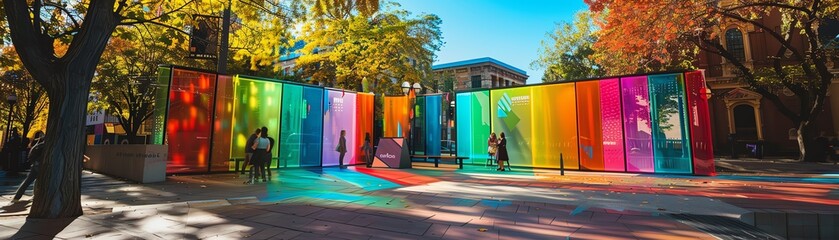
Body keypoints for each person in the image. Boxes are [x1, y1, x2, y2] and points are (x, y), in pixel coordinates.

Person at [13, 131, 44, 202]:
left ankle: (17, 196)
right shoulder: (43, 146)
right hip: (39, 165)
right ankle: (34, 195)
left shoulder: (37, 145)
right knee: (34, 180)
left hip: (35, 164)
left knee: (30, 180)